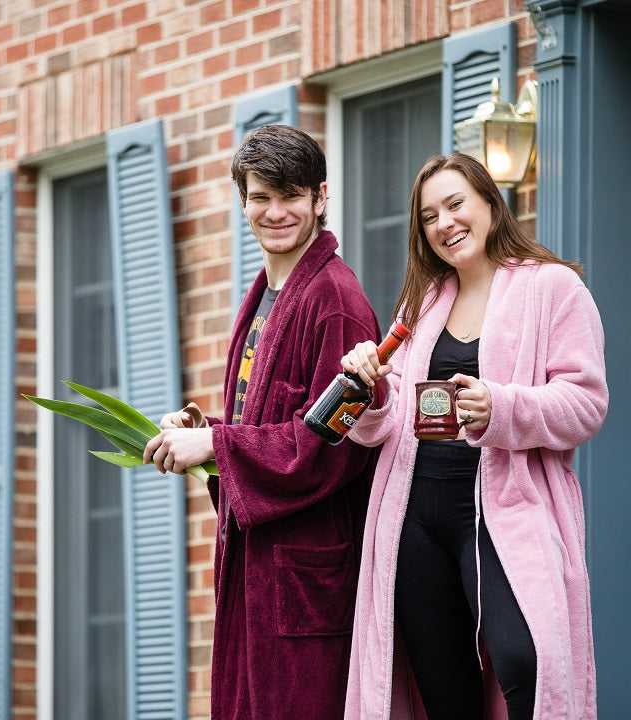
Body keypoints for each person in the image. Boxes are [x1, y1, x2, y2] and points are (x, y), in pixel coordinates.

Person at [339, 153, 608, 720]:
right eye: (429, 215)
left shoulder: (553, 288)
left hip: (504, 508)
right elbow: (386, 427)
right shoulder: (422, 304)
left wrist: (502, 407)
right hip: (413, 519)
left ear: (489, 202)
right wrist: (370, 390)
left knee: (529, 663)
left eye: (456, 203)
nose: (444, 223)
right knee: (444, 691)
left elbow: (586, 404)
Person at [143, 124, 380, 720]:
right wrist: (207, 429)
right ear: (242, 200)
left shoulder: (337, 302)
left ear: (320, 197)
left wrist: (217, 446)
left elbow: (331, 442)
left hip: (305, 580)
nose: (276, 212)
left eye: (291, 195)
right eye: (260, 197)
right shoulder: (266, 294)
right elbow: (276, 417)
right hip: (259, 570)